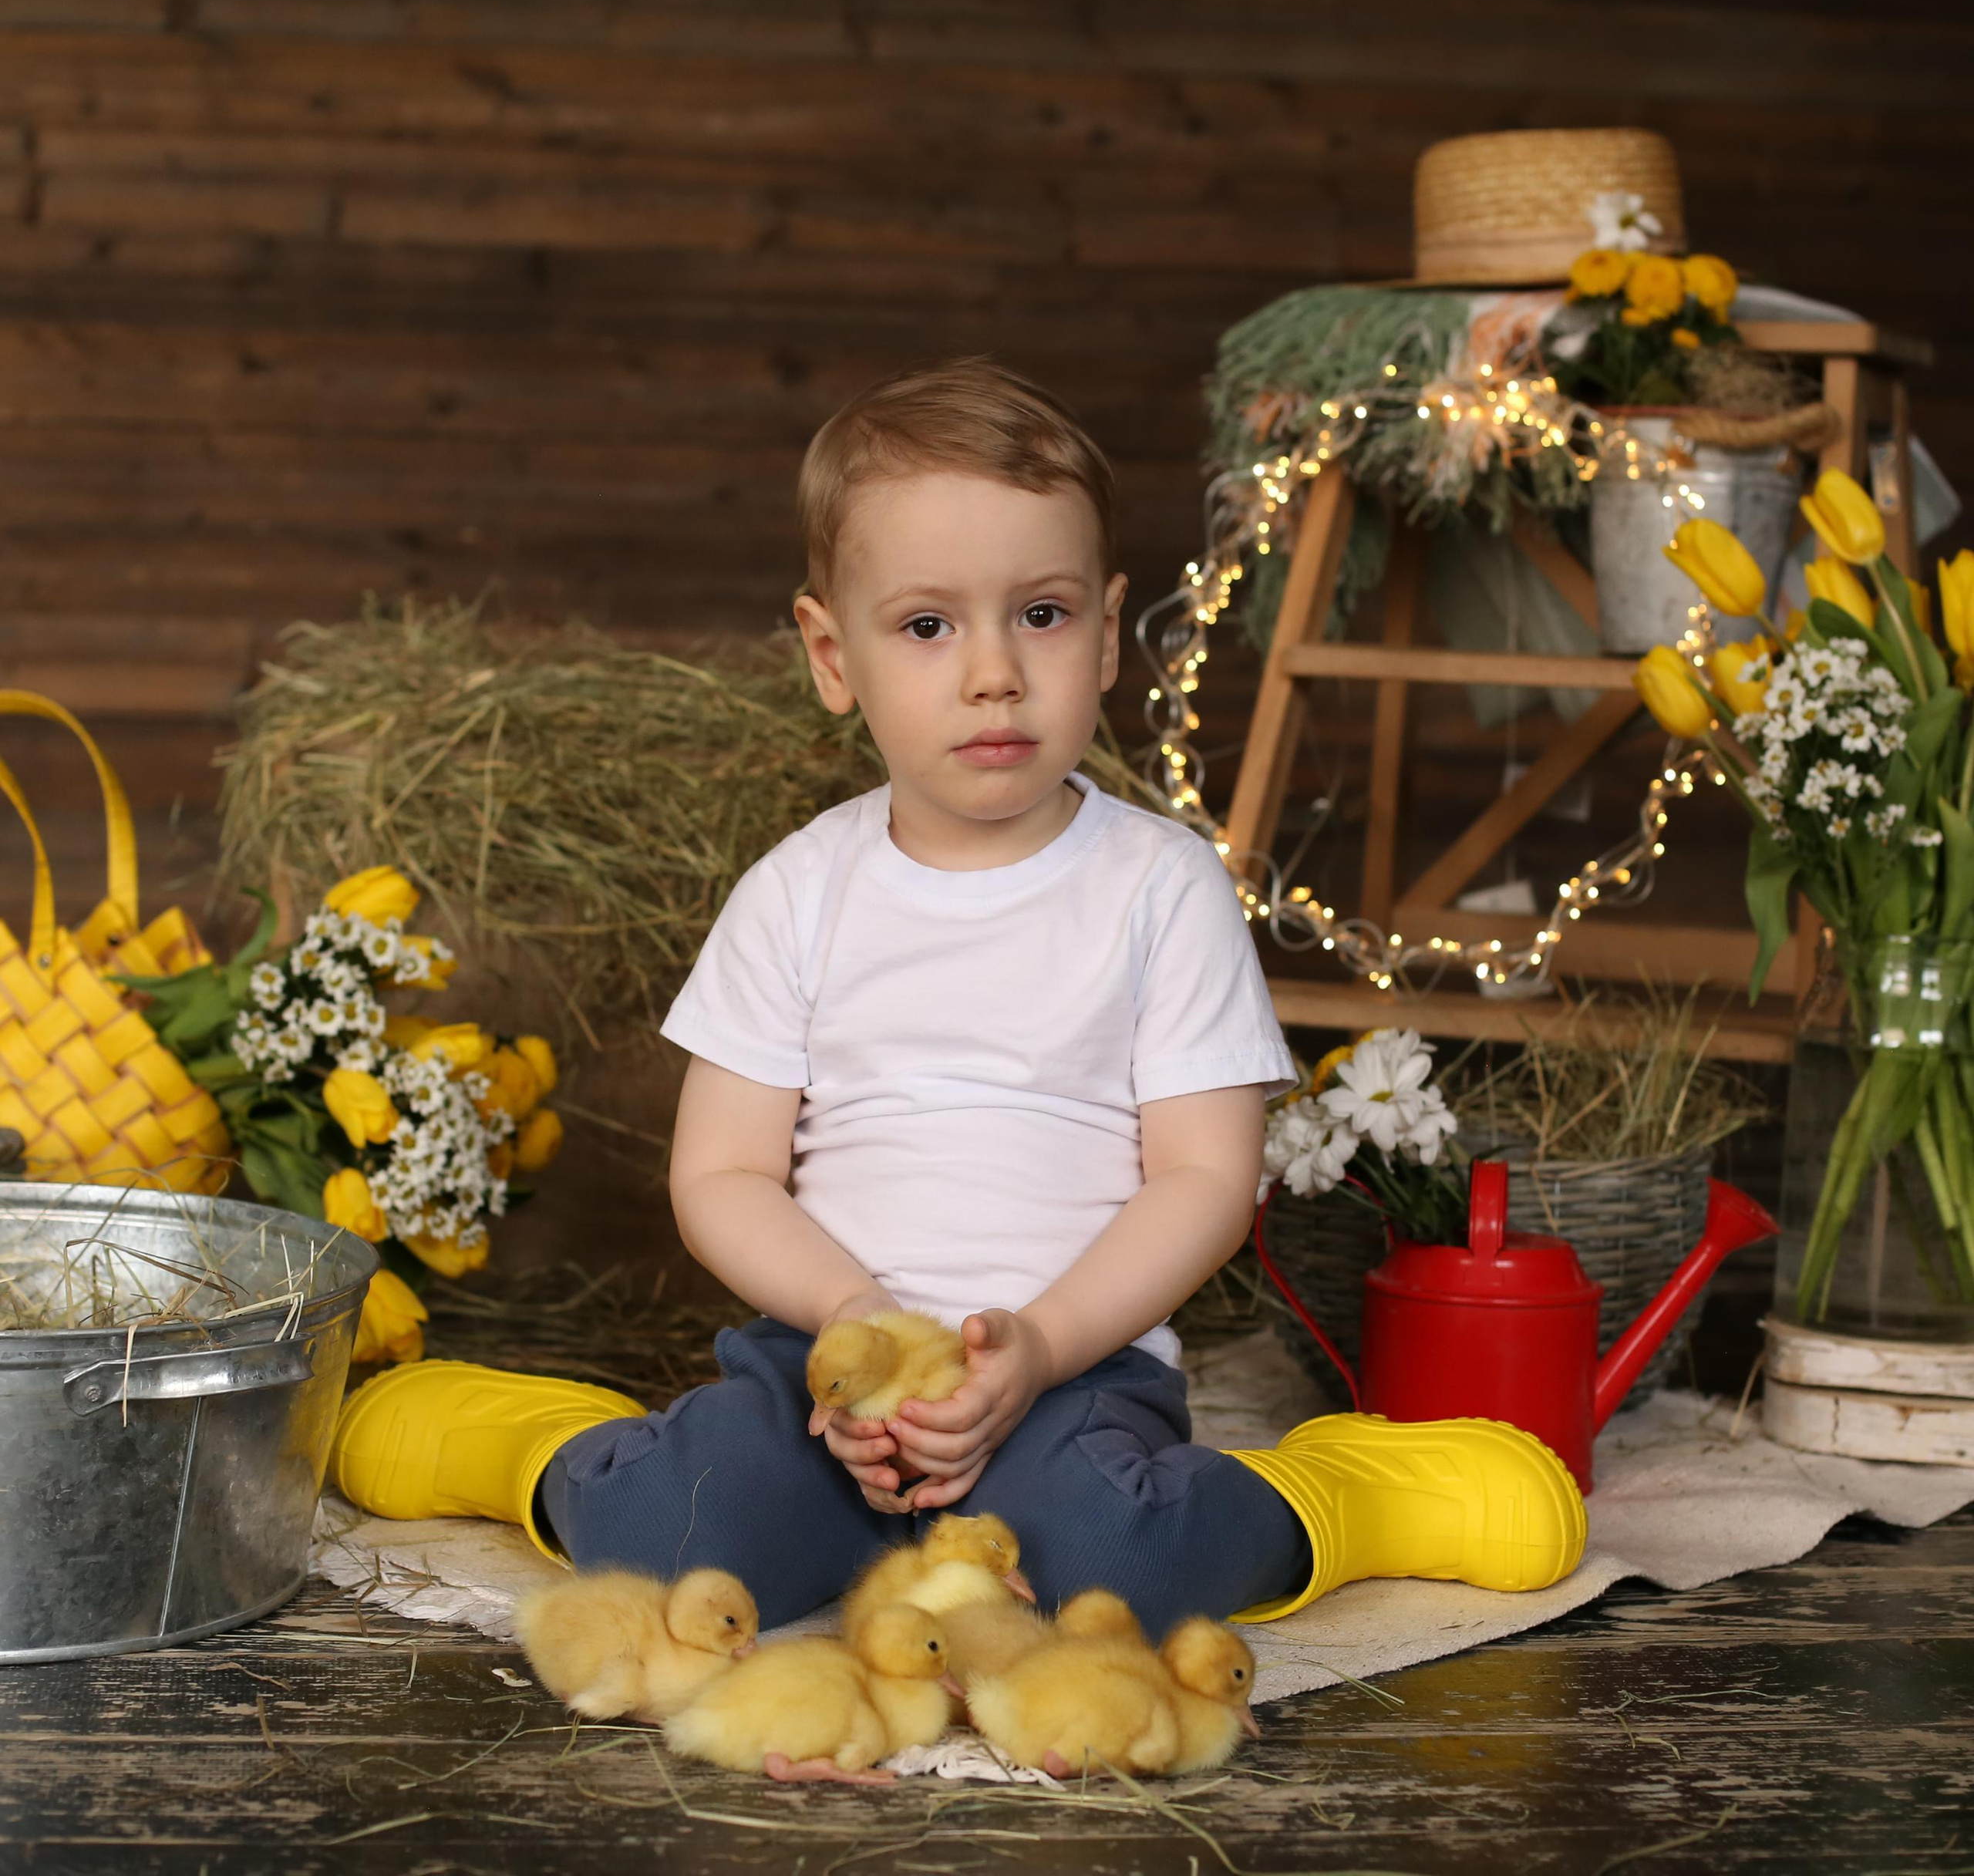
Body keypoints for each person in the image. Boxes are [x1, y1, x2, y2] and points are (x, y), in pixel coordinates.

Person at [328, 359, 1585, 1638]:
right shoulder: (802, 891)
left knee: (1120, 1567)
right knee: (672, 1546)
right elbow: (723, 1176)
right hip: (828, 1370)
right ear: (834, 654)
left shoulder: (1161, 888)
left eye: (1038, 616)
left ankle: (1344, 1494)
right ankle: (535, 1447)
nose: (994, 673)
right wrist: (854, 1324)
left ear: (1106, 635)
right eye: (929, 626)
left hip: (1070, 1375)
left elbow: (1204, 1181)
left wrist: (1035, 1348)